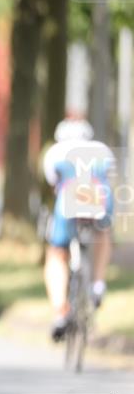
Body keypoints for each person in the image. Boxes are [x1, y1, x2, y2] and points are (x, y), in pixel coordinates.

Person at [41, 118, 115, 341]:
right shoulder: (102, 150)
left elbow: (53, 183)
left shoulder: (54, 152)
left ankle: (60, 312)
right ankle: (98, 284)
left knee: (56, 253)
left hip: (68, 197)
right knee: (102, 233)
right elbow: (110, 178)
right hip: (98, 195)